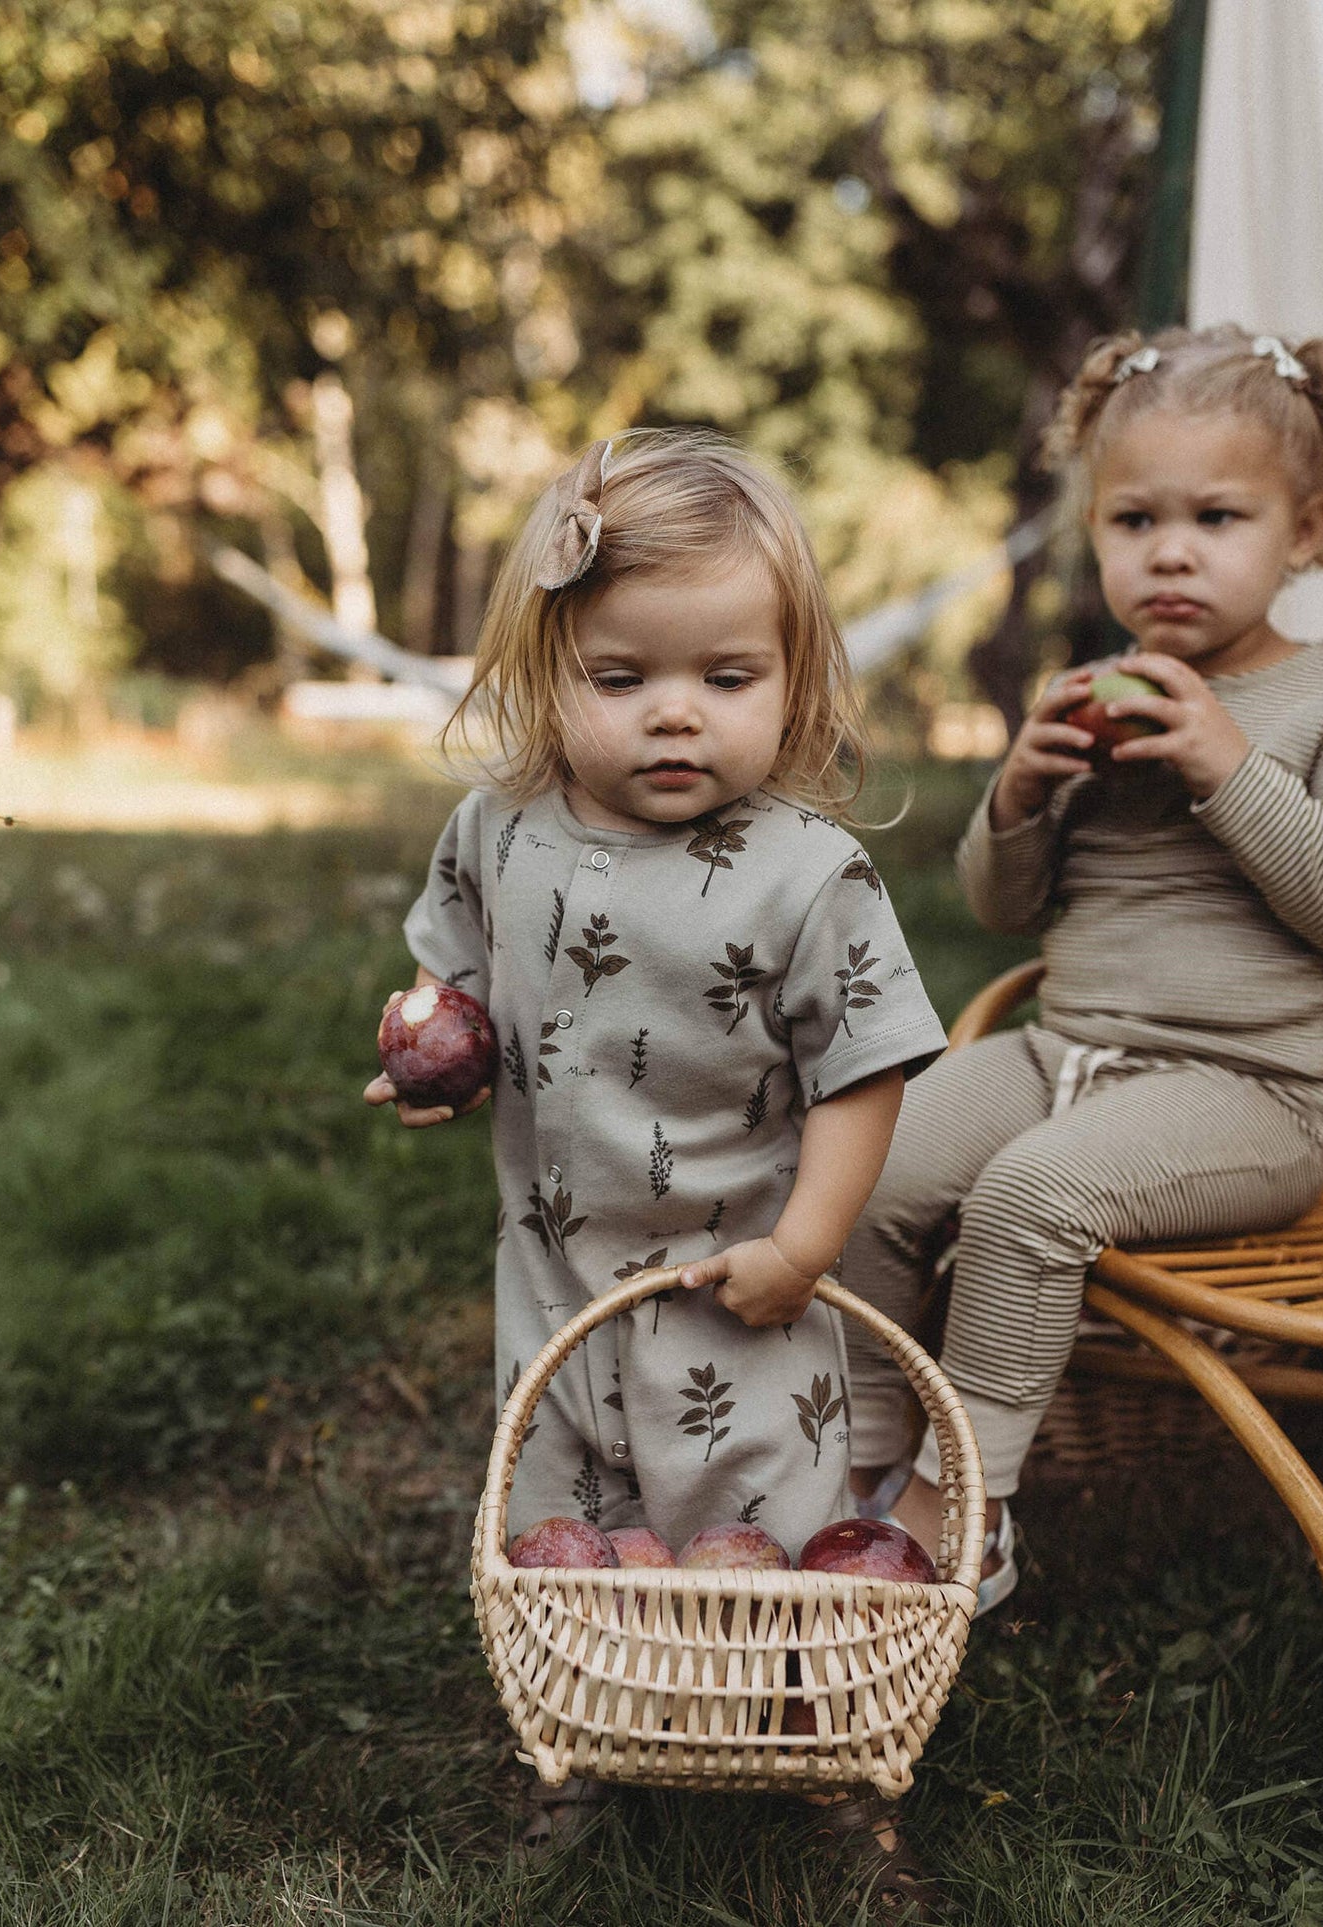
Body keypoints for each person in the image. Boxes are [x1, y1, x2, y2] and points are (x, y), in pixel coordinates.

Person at [368, 429, 944, 1573]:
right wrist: (439, 1052)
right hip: (551, 1274)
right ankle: (594, 1703)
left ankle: (764, 1709)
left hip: (737, 1280)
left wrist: (807, 1243)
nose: (674, 713)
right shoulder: (502, 825)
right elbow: (457, 979)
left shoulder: (808, 872)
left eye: (726, 679)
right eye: (619, 678)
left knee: (754, 1514)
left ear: (794, 677)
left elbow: (863, 1064)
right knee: (563, 1515)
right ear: (545, 672)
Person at [841, 324, 1323, 1613]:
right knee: (864, 1165)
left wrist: (1230, 768)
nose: (1169, 550)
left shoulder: (1316, 699)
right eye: (1132, 519)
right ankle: (858, 1471)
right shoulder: (1087, 690)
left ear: (1305, 534)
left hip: (1259, 1090)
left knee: (1027, 1198)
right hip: (1068, 1049)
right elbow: (1004, 912)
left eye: (1217, 516)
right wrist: (1015, 795)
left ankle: (970, 1505)